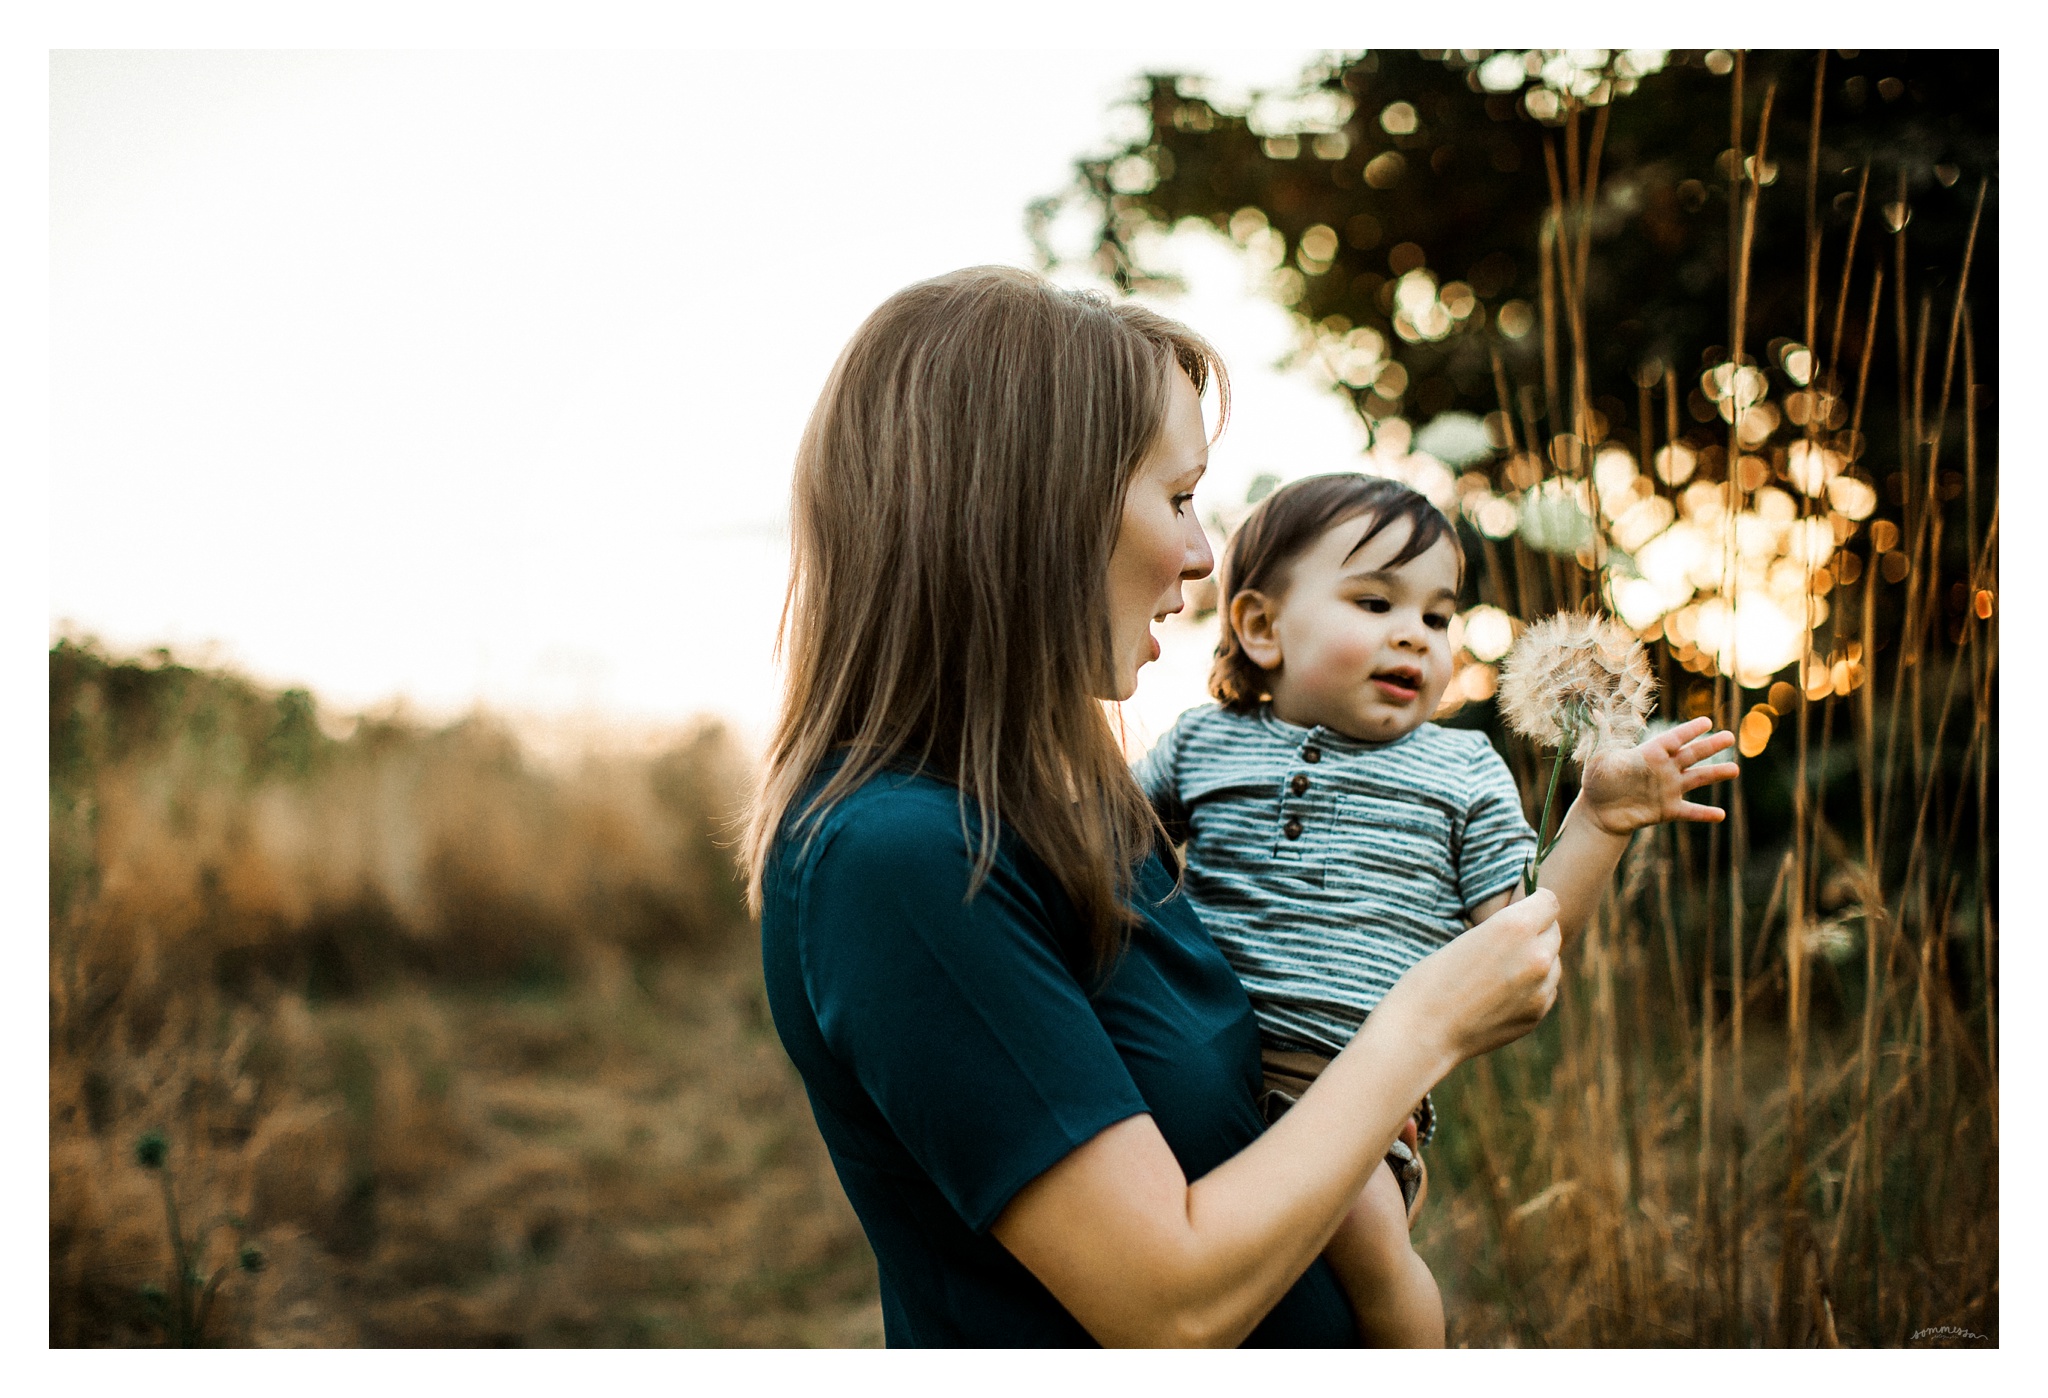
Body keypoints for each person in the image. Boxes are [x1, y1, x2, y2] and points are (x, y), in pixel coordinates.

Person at [743, 266, 1564, 1347]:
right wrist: (1418, 1030)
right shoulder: (899, 860)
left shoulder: (1084, 813)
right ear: (1031, 510)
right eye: (1178, 499)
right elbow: (1162, 1302)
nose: (1202, 554)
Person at [1135, 471, 1739, 1344]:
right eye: (1376, 603)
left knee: (1365, 1239)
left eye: (1437, 616)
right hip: (1195, 1056)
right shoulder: (1201, 741)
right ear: (1262, 627)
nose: (1414, 638)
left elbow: (1524, 941)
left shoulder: (1461, 773)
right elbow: (1107, 848)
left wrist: (1600, 822)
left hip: (1346, 1083)